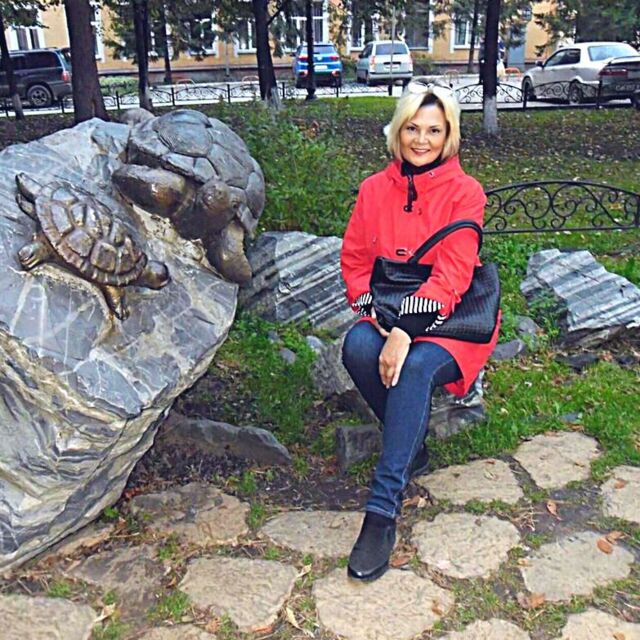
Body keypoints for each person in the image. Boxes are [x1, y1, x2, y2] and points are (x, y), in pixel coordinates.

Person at [340, 78, 500, 582]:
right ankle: (413, 447)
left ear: (449, 135)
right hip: (389, 307)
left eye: (434, 130)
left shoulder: (466, 192)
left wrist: (404, 333)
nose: (422, 139)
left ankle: (382, 510)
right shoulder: (373, 189)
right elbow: (355, 261)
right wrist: (380, 319)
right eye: (413, 128)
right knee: (356, 346)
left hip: (454, 317)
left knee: (412, 366)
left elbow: (453, 274)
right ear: (398, 131)